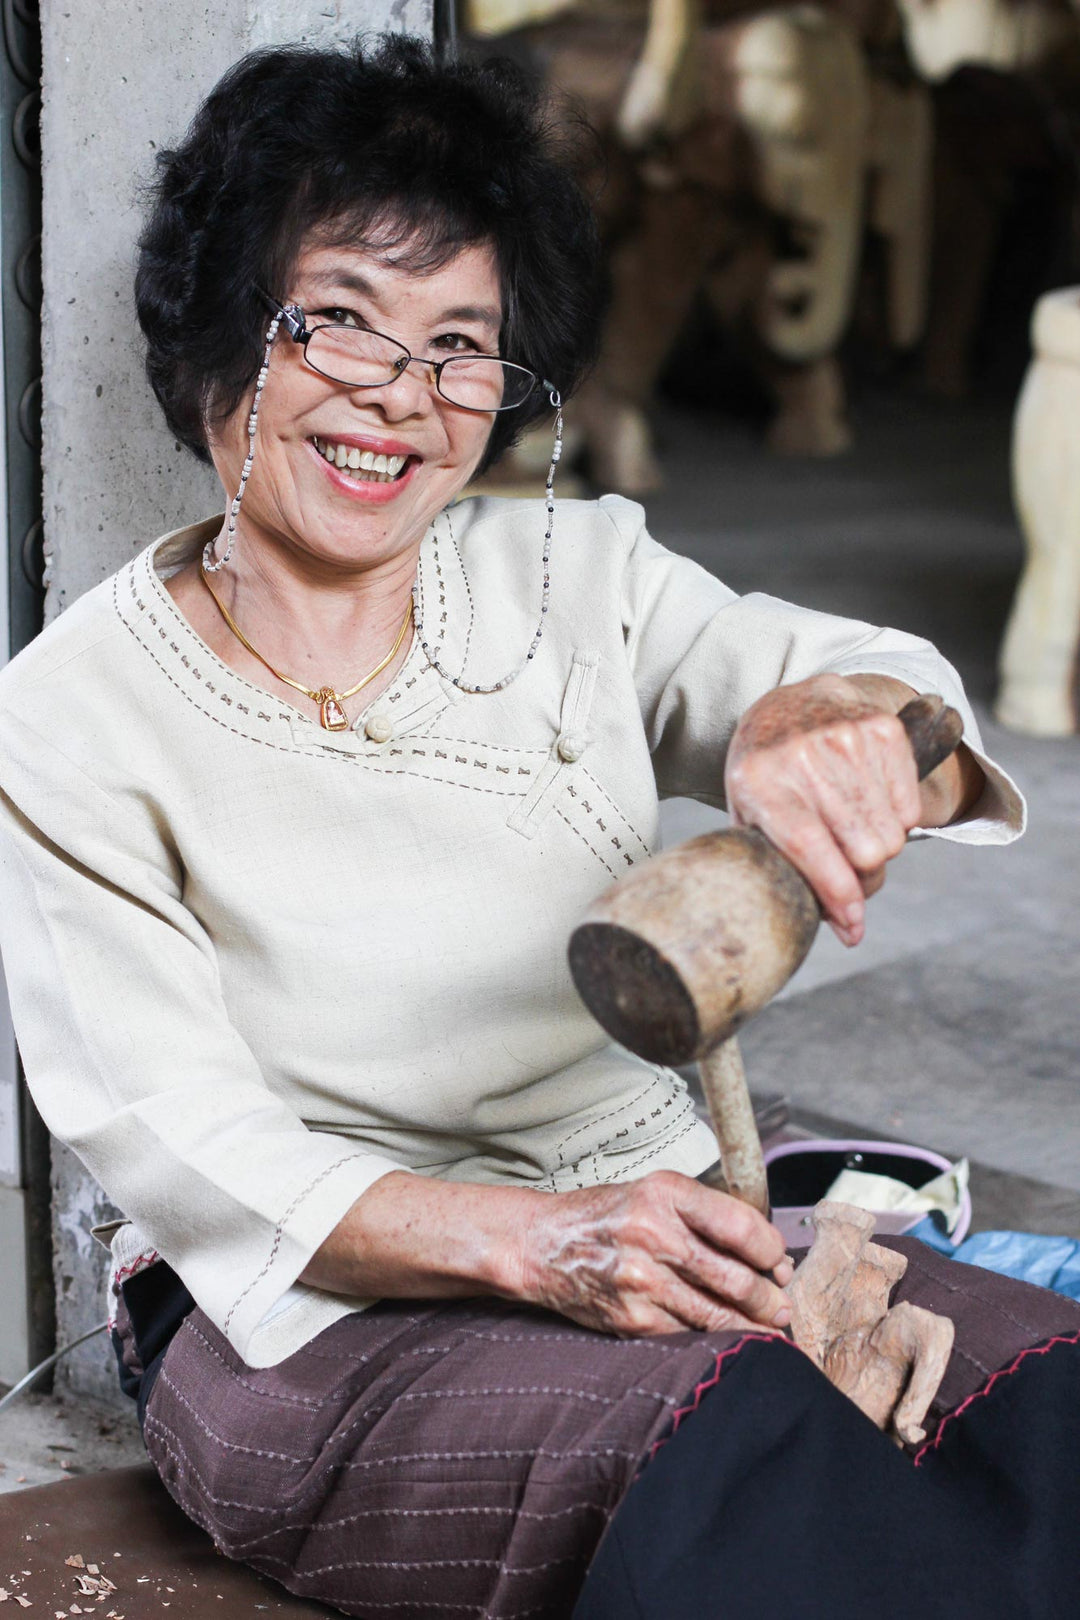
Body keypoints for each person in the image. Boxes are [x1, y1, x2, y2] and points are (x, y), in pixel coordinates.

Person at [0, 35, 1077, 1620]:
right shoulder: (73, 716)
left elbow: (885, 685)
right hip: (310, 1312)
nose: (400, 398)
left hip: (673, 1215)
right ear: (231, 331)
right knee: (770, 1465)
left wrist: (821, 731)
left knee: (1039, 1416)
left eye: (460, 347)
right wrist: (549, 1245)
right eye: (340, 322)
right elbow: (194, 1153)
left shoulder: (572, 575)